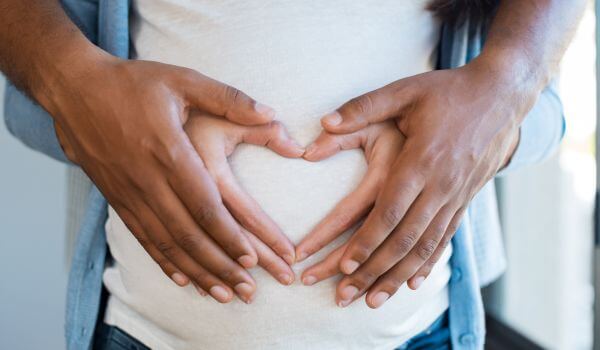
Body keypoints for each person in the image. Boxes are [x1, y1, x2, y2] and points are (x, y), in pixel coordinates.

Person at [0, 0, 584, 349]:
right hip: (147, 335)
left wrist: (493, 123)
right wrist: (88, 100)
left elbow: (546, 116)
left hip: (416, 335)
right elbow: (30, 103)